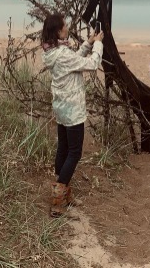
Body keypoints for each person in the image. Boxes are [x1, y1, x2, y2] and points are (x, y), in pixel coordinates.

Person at [41, 13, 104, 216]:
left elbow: (74, 60)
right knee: (74, 152)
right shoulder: (62, 54)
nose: (67, 27)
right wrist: (99, 45)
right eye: (64, 26)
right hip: (73, 109)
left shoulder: (53, 51)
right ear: (58, 31)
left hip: (61, 107)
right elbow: (91, 64)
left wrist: (89, 42)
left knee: (64, 149)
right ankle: (58, 198)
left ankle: (64, 192)